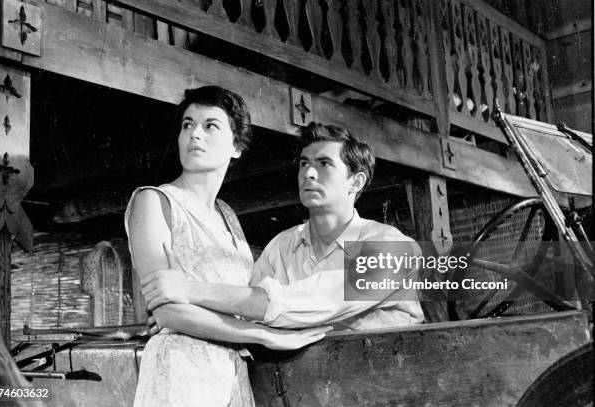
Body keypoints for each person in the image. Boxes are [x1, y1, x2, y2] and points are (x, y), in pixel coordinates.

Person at [125, 87, 330, 407]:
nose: (195, 135)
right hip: (179, 375)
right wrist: (261, 335)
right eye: (187, 125)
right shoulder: (154, 201)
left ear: (236, 146)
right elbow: (167, 311)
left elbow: (238, 301)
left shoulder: (229, 216)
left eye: (211, 126)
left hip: (231, 377)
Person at [143, 122, 424, 332]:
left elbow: (306, 301)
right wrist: (179, 314)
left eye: (324, 163)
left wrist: (191, 291)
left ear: (356, 182)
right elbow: (242, 311)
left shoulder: (393, 247)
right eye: (304, 164)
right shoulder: (281, 246)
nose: (309, 173)